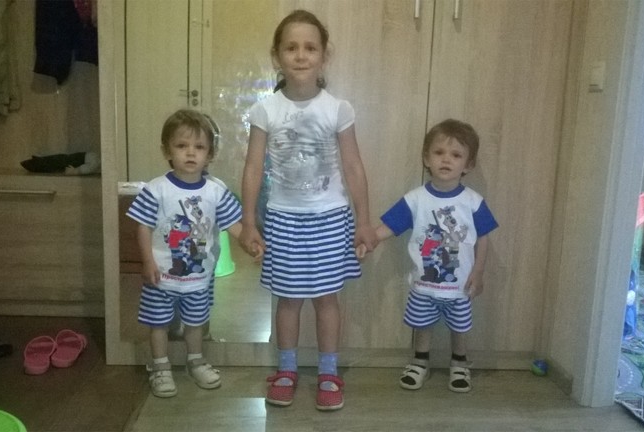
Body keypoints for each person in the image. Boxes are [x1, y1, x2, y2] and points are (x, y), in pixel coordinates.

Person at [239, 9, 377, 411]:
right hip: (283, 219)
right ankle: (286, 370)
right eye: (291, 48)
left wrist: (364, 221)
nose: (301, 55)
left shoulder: (338, 109)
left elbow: (353, 166)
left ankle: (329, 372)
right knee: (288, 300)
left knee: (326, 299)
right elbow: (253, 169)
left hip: (331, 219)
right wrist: (248, 222)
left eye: (310, 48)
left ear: (323, 55)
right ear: (277, 56)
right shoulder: (265, 110)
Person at [359, 119, 498, 393]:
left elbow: (483, 238)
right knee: (422, 325)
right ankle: (419, 362)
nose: (446, 159)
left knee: (460, 327)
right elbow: (390, 227)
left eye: (456, 155)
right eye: (439, 152)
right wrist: (369, 240)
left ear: (468, 165)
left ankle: (459, 363)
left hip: (460, 286)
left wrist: (479, 271)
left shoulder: (473, 202)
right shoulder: (415, 199)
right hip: (423, 284)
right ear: (426, 158)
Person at [126, 109, 243, 398]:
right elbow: (143, 227)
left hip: (197, 278)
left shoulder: (216, 191)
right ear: (167, 150)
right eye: (181, 145)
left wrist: (253, 243)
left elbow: (234, 225)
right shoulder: (156, 189)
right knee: (158, 323)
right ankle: (160, 366)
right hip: (160, 276)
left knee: (195, 322)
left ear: (210, 154)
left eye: (199, 147)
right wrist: (147, 262)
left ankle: (195, 361)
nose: (191, 153)